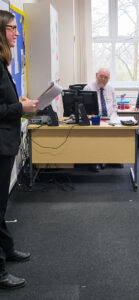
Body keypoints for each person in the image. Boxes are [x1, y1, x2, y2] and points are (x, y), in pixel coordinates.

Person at [0, 10, 39, 289]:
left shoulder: (3, 63)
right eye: (12, 28)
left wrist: (19, 102)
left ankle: (8, 249)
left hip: (6, 142)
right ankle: (0, 272)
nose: (16, 33)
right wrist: (19, 107)